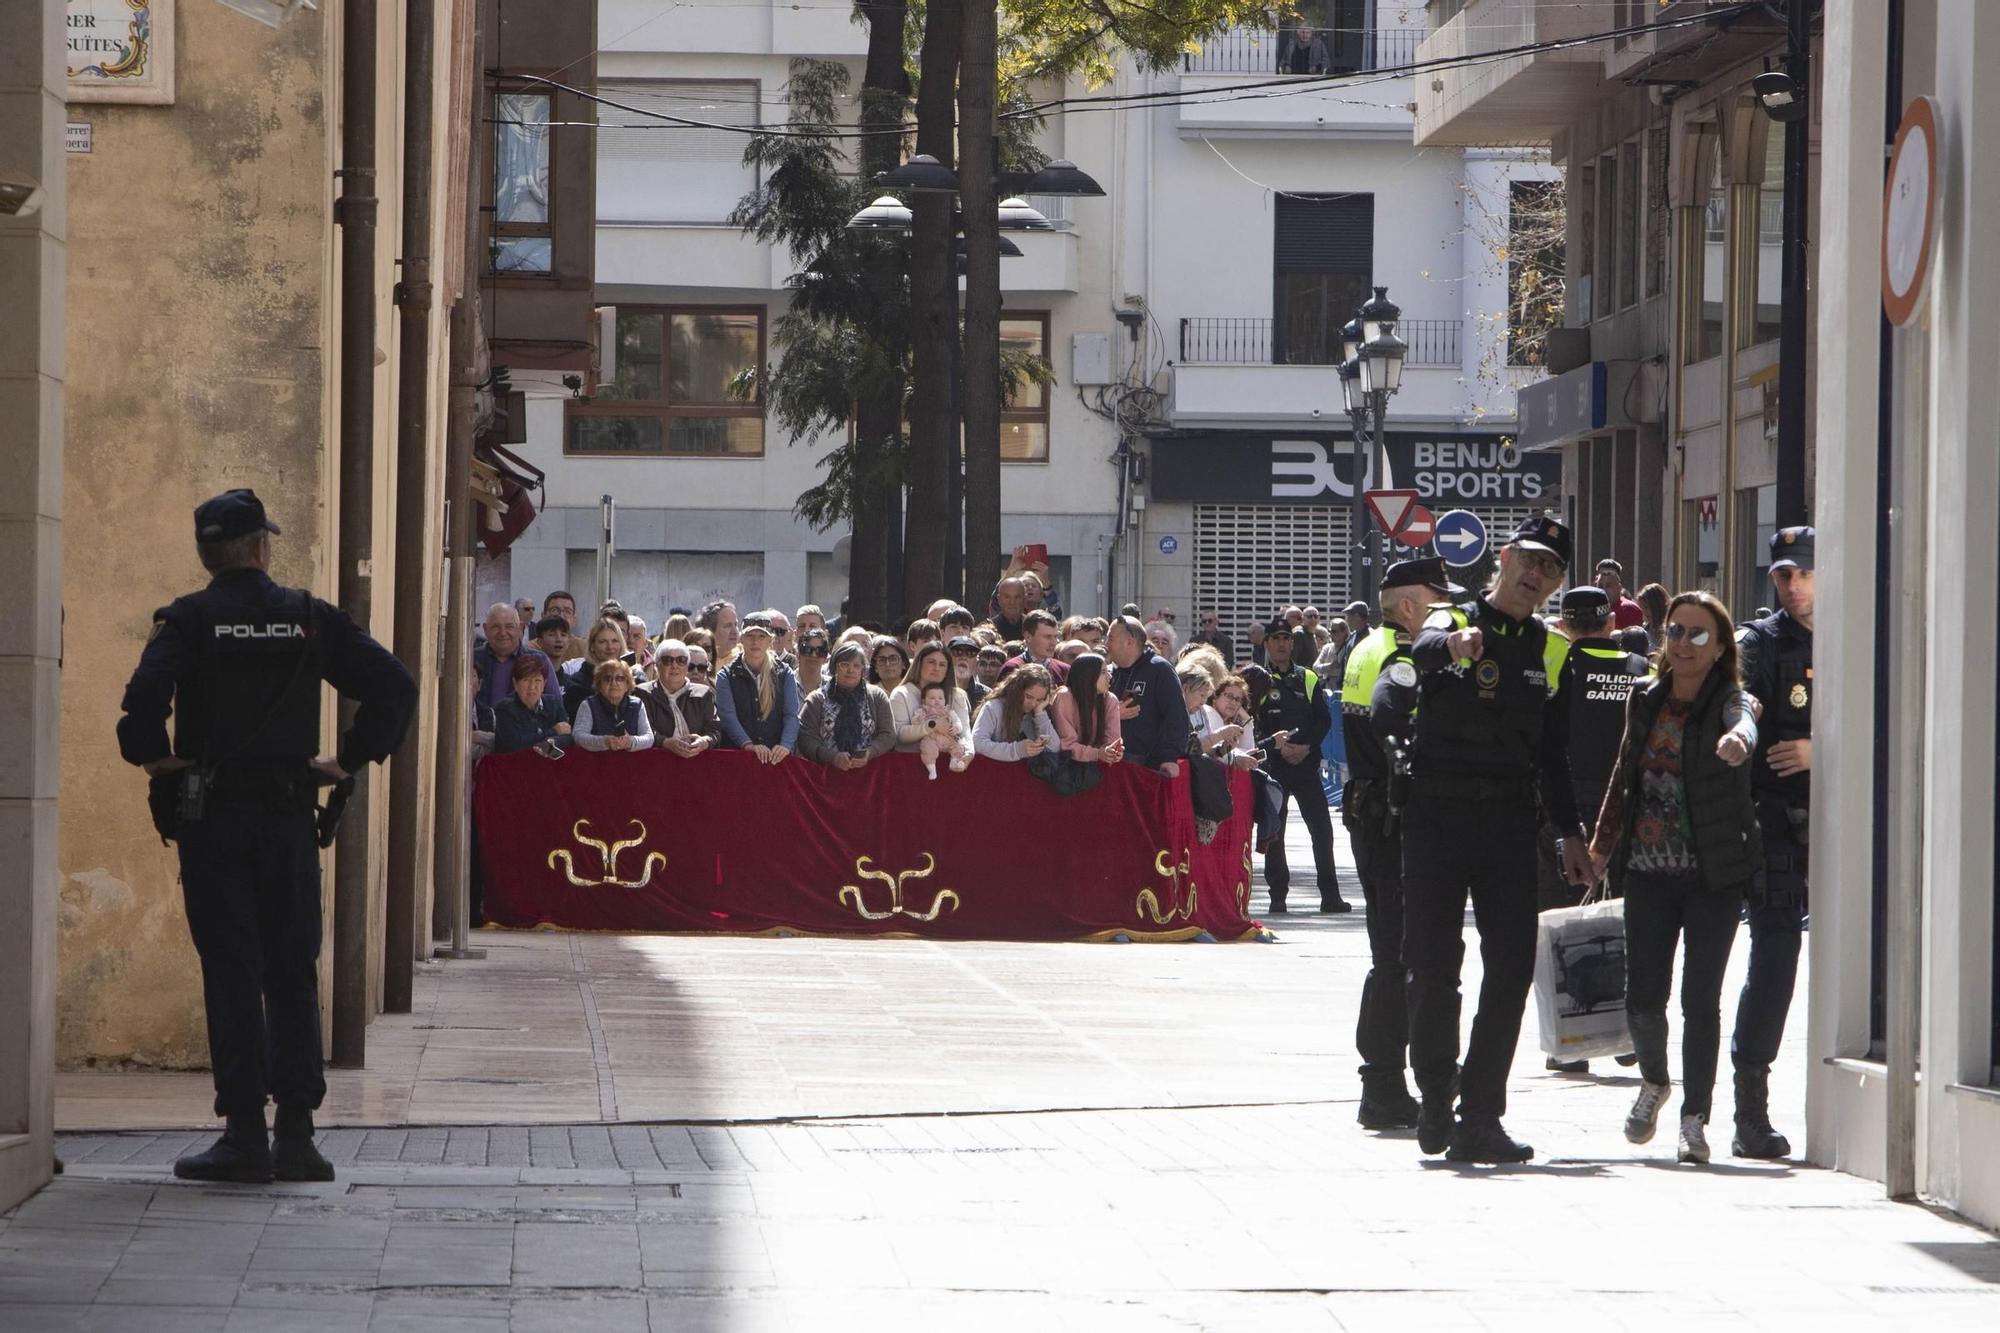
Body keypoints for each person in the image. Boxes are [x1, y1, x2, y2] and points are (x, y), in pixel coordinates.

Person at [117, 489, 417, 1184]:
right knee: (290, 970)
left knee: (231, 971)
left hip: (213, 821)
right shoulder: (307, 618)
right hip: (286, 818)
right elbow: (393, 686)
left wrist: (164, 760)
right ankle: (299, 1137)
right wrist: (348, 757)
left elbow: (138, 718)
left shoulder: (188, 621)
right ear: (261, 548)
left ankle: (244, 1134)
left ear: (206, 554)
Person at [1399, 514, 1594, 1164]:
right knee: (1433, 966)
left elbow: (1556, 754)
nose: (1537, 574)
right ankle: (1435, 1091)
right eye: (1531, 559)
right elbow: (1414, 656)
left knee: (1510, 968)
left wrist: (1571, 834)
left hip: (1510, 822)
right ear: (1505, 558)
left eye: (1553, 569)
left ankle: (1481, 1112)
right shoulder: (1448, 618)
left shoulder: (1553, 649)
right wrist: (1452, 648)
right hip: (1435, 816)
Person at [1589, 592, 1760, 1165]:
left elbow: (1746, 720)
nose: (1683, 644)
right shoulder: (1645, 699)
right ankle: (1655, 1082)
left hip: (1713, 874)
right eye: (1675, 632)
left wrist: (1739, 741)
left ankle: (1695, 1118)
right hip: (1646, 872)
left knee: (1700, 999)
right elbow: (1622, 771)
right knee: (1643, 996)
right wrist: (1599, 846)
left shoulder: (1731, 699)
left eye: (1698, 635)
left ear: (1720, 648)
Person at [1342, 557, 1457, 1129]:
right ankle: (1385, 1084)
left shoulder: (1366, 645)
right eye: (1439, 602)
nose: (1449, 615)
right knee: (1400, 957)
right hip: (1394, 819)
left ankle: (1383, 1080)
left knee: (1391, 953)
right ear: (1410, 605)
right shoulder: (1401, 656)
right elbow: (1399, 737)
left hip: (1372, 813)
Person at [1534, 585, 1651, 1074]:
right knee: (1631, 919)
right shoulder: (1640, 671)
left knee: (1562, 923)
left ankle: (1573, 1041)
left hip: (1565, 809)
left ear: (1564, 625)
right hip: (1627, 807)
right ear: (1609, 624)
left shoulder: (1556, 670)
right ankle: (1630, 1034)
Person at [1729, 526, 1815, 1159]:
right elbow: (1745, 696)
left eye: (1803, 573)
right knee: (1777, 951)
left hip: (1854, 824)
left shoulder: (1868, 627)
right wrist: (1743, 724)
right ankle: (1750, 1112)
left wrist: (1821, 748)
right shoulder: (1761, 642)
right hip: (1777, 819)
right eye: (1782, 575)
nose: (1791, 585)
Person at [1253, 615, 1347, 915]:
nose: (1281, 644)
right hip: (1275, 768)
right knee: (1274, 832)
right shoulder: (1256, 679)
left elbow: (1323, 719)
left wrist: (1305, 747)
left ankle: (1330, 895)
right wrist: (1276, 748)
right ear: (1266, 644)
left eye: (1286, 639)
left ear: (1292, 643)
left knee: (1321, 830)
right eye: (1275, 639)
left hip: (1305, 764)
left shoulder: (1307, 677)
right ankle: (1277, 894)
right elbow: (1251, 724)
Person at [1105, 615, 1190, 780]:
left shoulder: (1159, 669)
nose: (1105, 644)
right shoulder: (1108, 671)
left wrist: (1169, 757)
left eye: (1110, 638)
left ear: (1129, 642)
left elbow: (1176, 716)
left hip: (1148, 769)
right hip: (1112, 766)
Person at [798, 642, 897, 769]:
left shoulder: (877, 696)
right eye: (844, 665)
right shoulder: (817, 699)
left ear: (863, 670)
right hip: (824, 774)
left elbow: (888, 734)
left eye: (856, 666)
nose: (851, 670)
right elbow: (806, 739)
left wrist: (870, 752)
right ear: (834, 668)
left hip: (870, 774)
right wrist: (832, 757)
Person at [715, 613, 799, 762]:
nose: (755, 641)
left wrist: (785, 745)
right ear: (741, 639)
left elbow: (791, 714)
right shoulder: (726, 676)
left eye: (761, 636)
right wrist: (748, 744)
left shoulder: (785, 674)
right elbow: (728, 717)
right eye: (750, 636)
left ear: (770, 640)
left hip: (776, 759)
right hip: (738, 760)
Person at [634, 638, 719, 756]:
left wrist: (705, 741)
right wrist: (664, 742)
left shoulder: (704, 693)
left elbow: (715, 731)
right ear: (657, 666)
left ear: (687, 666)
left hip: (696, 762)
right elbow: (642, 731)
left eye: (681, 660)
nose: (674, 666)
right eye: (667, 660)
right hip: (656, 762)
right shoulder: (642, 693)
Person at [891, 642, 973, 759]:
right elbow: (899, 735)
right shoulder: (901, 694)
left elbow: (965, 733)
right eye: (931, 662)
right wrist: (932, 725)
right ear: (919, 664)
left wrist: (969, 754)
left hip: (948, 766)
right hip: (909, 764)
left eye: (942, 664)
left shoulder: (957, 695)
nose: (936, 668)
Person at [474, 603, 558, 716]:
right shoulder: (472, 660)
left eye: (509, 626)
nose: (503, 633)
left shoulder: (539, 660)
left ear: (520, 628)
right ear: (485, 629)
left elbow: (556, 708)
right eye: (495, 627)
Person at [971, 663, 1063, 761]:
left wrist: (1040, 713)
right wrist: (1017, 750)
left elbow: (1054, 747)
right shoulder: (994, 707)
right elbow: (977, 743)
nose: (1033, 704)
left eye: (1039, 699)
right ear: (1017, 690)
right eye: (1029, 697)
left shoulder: (1036, 712)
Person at [1052, 652, 1125, 765]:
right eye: (1103, 672)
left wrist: (1113, 752)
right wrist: (1097, 754)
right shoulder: (1065, 697)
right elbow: (1067, 744)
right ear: (1087, 676)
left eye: (1108, 671)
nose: (1109, 677)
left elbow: (1113, 740)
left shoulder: (1110, 700)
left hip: (1099, 765)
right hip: (1066, 765)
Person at [493, 654, 573, 754]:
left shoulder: (553, 703)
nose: (532, 687)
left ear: (544, 683)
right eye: (526, 680)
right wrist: (553, 732)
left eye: (537, 681)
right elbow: (516, 743)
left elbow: (568, 735)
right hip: (513, 765)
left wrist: (553, 741)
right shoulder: (504, 708)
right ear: (515, 683)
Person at [572, 659, 653, 751]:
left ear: (627, 684)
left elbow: (649, 738)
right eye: (607, 679)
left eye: (620, 678)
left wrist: (630, 742)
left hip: (630, 763)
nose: (613, 683)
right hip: (597, 762)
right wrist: (604, 742)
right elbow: (578, 736)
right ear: (599, 685)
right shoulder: (588, 705)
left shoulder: (637, 705)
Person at [560, 617, 630, 719]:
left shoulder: (633, 676)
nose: (610, 647)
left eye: (615, 641)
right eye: (603, 642)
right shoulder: (578, 684)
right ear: (592, 646)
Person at [1593, 558, 1646, 631]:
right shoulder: (1594, 609)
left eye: (1608, 585)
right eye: (1600, 586)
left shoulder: (1628, 609)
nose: (1603, 590)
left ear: (1619, 587)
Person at [948, 635, 990, 708]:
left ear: (977, 661)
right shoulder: (934, 691)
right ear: (947, 657)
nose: (964, 657)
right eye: (958, 652)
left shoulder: (986, 696)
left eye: (970, 653)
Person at [699, 599, 740, 666]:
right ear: (710, 631)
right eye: (728, 626)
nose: (734, 631)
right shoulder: (700, 663)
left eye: (736, 625)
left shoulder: (747, 658)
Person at [793, 625, 831, 695]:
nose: (814, 655)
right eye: (807, 649)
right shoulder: (785, 682)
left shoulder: (832, 687)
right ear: (798, 653)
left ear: (826, 656)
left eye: (820, 651)